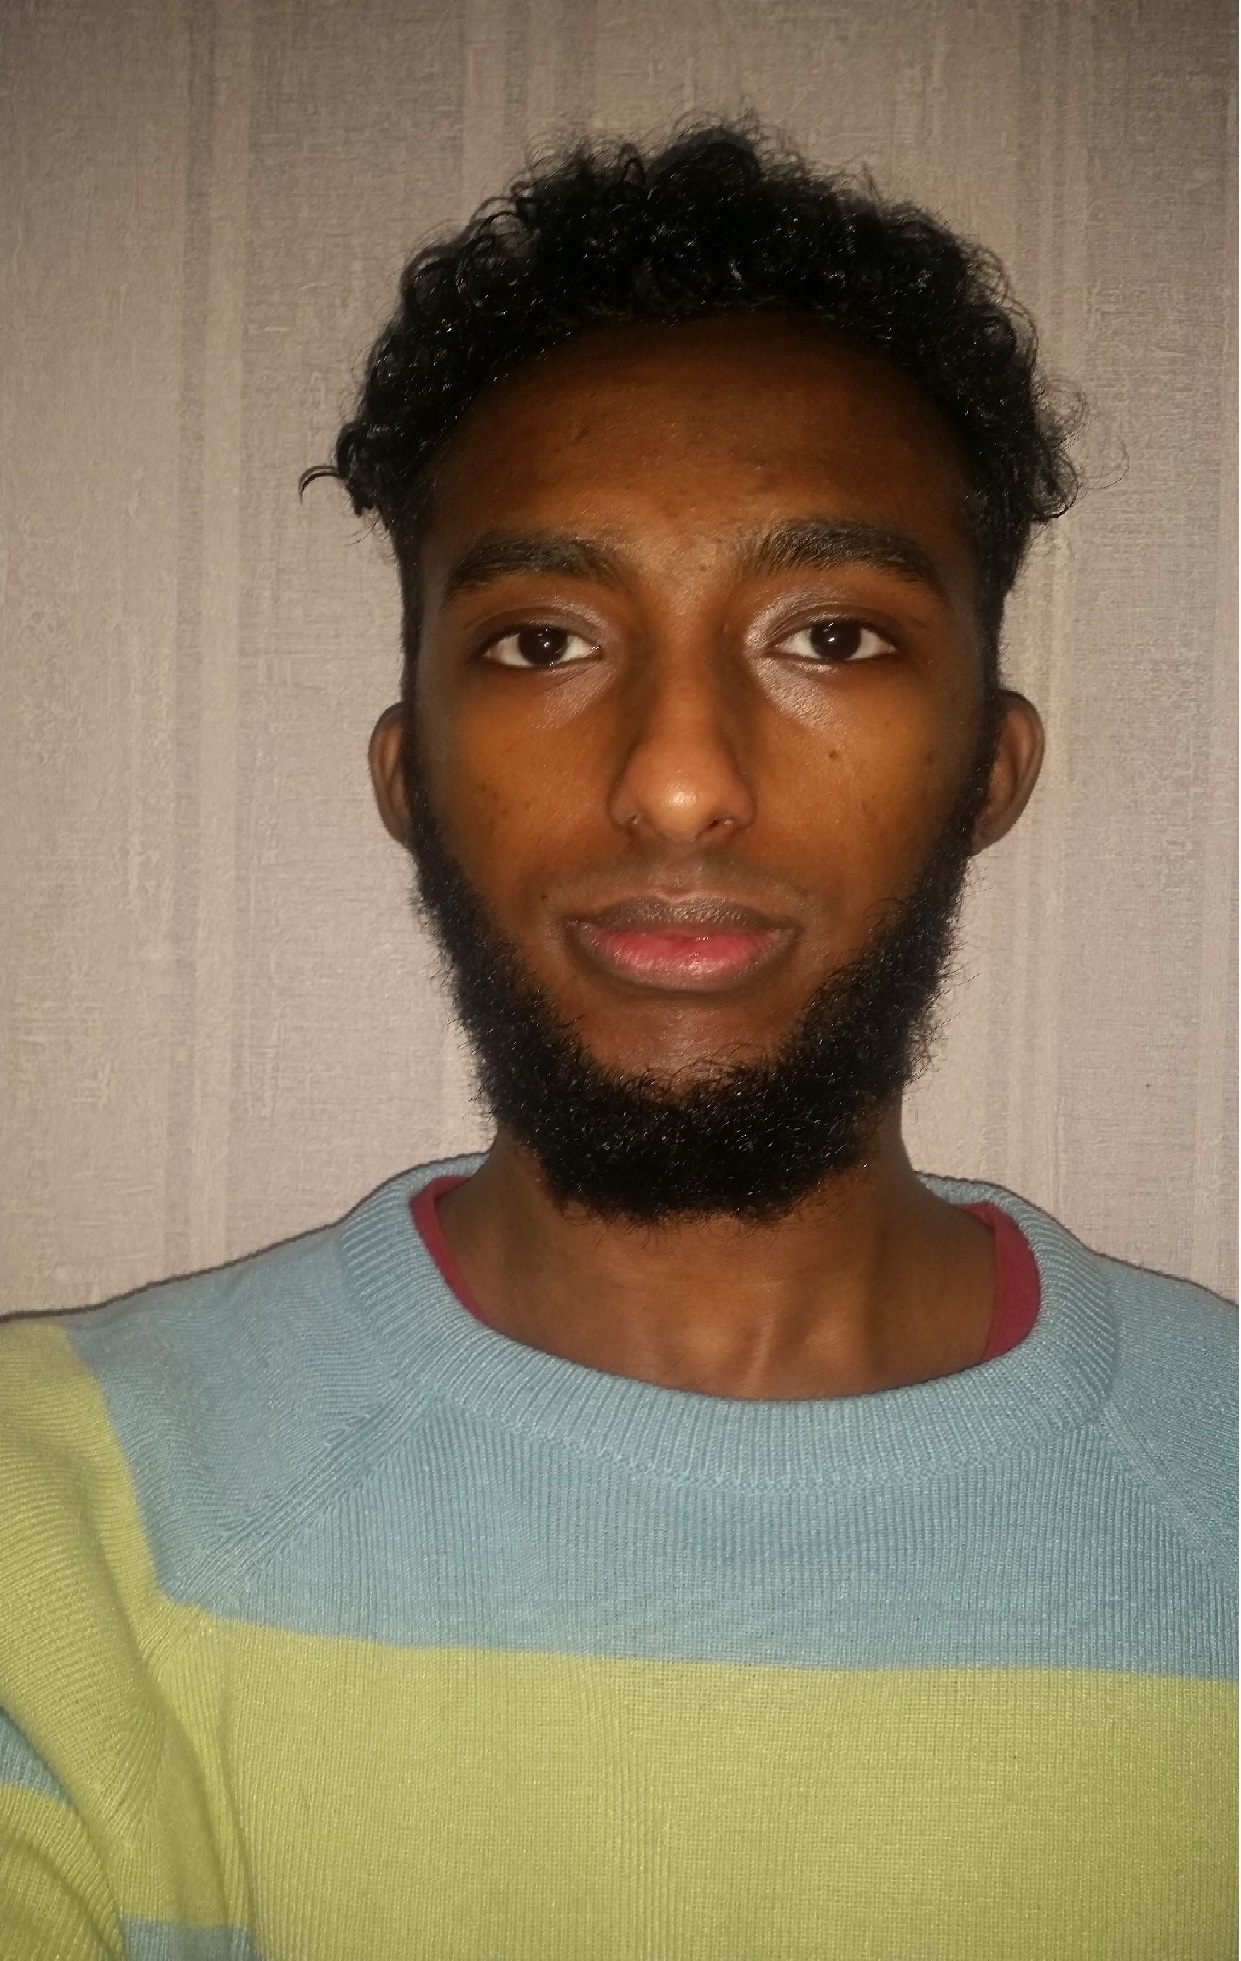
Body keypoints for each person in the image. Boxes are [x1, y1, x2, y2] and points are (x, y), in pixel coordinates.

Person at [1, 125, 1234, 1960]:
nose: (674, 780)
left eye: (830, 634)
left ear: (990, 767)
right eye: (541, 642)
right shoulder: (53, 1537)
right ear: (410, 775)